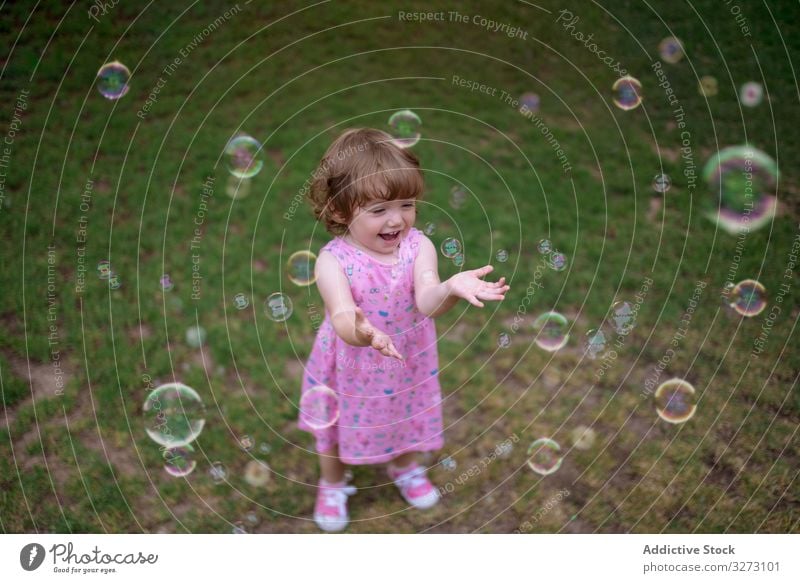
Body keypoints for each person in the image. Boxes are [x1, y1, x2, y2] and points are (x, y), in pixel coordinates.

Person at [300, 128, 509, 532]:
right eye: (378, 209)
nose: (397, 219)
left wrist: (450, 287)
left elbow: (427, 299)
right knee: (335, 423)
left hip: (405, 358)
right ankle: (332, 482)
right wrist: (364, 332)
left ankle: (404, 465)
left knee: (404, 413)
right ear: (341, 211)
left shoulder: (419, 247)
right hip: (350, 362)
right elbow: (343, 317)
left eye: (406, 204)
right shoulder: (333, 261)